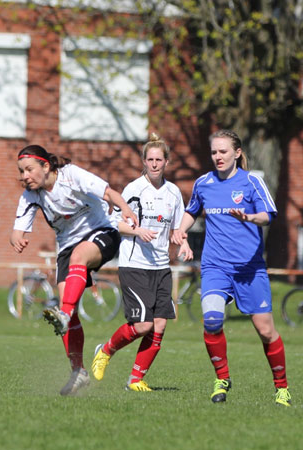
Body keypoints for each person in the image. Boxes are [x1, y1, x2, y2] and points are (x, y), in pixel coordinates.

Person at [173, 129, 291, 406]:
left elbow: (267, 216)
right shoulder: (204, 183)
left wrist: (249, 217)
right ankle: (222, 378)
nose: (218, 156)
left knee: (265, 332)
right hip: (215, 266)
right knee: (212, 321)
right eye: (214, 152)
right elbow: (191, 211)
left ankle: (282, 387)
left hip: (250, 269)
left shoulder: (251, 181)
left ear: (237, 153)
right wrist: (181, 231)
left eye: (223, 151)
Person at [10, 144, 138, 396]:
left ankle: (64, 314)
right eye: (21, 171)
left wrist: (125, 208)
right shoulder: (30, 195)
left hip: (101, 231)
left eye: (29, 169)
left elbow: (108, 192)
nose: (25, 176)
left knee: (72, 285)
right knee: (68, 304)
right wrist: (16, 238)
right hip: (67, 247)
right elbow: (17, 230)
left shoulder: (71, 175)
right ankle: (78, 371)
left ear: (46, 166)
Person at [91, 133, 184, 391]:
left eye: (159, 160)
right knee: (143, 325)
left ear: (167, 162)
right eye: (150, 160)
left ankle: (135, 379)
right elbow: (115, 223)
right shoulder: (134, 189)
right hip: (135, 265)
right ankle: (105, 350)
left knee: (160, 325)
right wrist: (137, 231)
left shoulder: (174, 193)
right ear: (144, 161)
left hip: (161, 267)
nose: (154, 164)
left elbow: (177, 229)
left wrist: (183, 242)